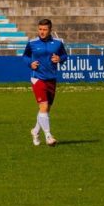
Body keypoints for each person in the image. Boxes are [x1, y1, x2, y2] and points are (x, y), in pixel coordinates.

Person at [23, 19, 68, 147]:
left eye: (45, 29)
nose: (42, 32)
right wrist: (30, 64)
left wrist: (59, 58)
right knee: (43, 105)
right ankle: (48, 136)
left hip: (51, 78)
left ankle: (35, 131)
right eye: (40, 29)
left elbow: (64, 56)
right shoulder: (32, 43)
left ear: (50, 30)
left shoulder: (58, 43)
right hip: (37, 78)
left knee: (46, 109)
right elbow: (25, 56)